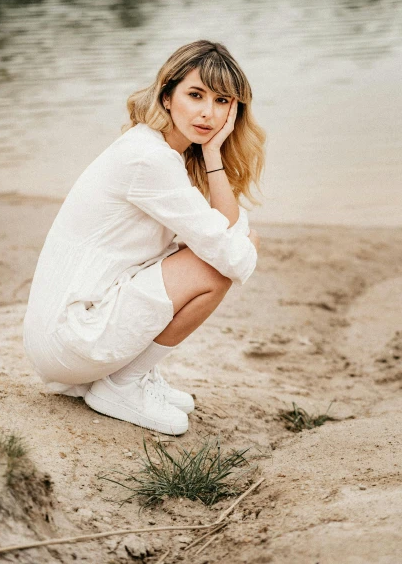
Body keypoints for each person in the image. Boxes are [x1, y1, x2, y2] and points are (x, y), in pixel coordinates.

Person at [23, 40, 266, 435]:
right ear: (167, 96)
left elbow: (224, 227)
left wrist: (214, 153)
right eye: (195, 95)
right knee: (216, 270)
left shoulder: (164, 151)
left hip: (71, 331)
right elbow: (232, 254)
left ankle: (126, 376)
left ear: (235, 110)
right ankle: (122, 384)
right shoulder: (148, 159)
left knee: (222, 250)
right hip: (72, 336)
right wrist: (242, 245)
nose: (208, 112)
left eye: (222, 101)